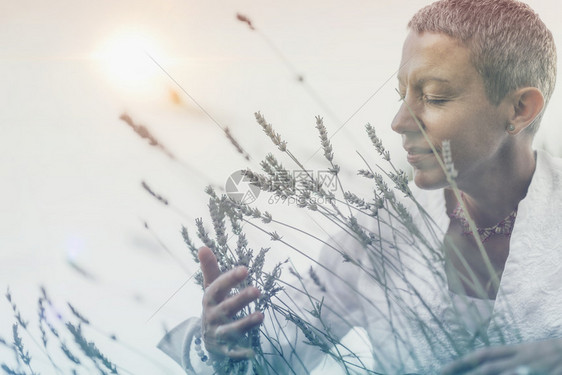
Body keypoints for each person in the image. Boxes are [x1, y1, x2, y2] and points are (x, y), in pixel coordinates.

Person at [159, 0, 562, 373]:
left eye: (434, 96)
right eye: (402, 95)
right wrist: (219, 343)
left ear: (519, 108)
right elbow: (275, 358)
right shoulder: (378, 234)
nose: (400, 121)